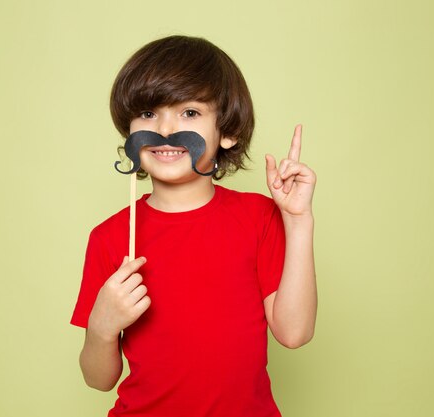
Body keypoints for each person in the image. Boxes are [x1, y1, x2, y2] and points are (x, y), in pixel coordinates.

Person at [71, 35, 317, 417]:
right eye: (149, 113)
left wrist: (298, 221)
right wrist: (101, 328)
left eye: (189, 113)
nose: (166, 129)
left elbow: (294, 333)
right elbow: (99, 379)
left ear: (228, 132)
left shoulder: (258, 217)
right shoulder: (111, 237)